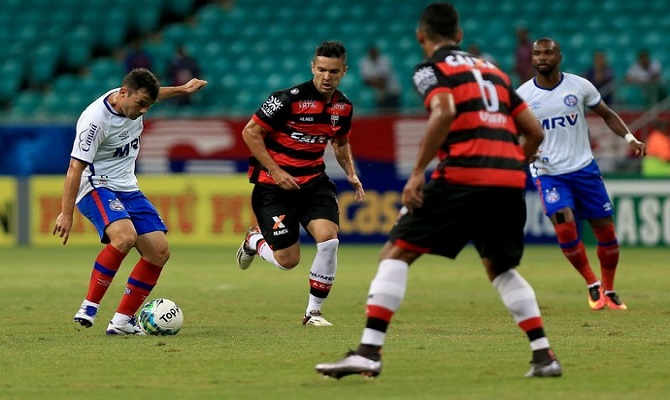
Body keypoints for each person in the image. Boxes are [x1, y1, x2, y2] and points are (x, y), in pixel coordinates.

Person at [316, 3, 561, 379]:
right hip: (508, 181)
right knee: (500, 268)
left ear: (421, 36)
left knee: (395, 253)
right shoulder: (494, 72)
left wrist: (417, 174)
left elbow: (444, 111)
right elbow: (536, 133)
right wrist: (510, 166)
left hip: (463, 173)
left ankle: (368, 352)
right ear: (459, 35)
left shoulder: (432, 69)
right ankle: (544, 356)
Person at [53, 68, 207, 335]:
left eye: (148, 104)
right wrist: (66, 213)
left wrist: (182, 89)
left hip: (127, 187)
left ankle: (122, 321)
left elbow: (155, 96)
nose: (144, 110)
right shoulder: (95, 121)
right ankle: (89, 306)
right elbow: (74, 168)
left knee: (159, 251)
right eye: (140, 104)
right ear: (123, 93)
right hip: (96, 184)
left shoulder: (135, 100)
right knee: (124, 237)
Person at [236, 41, 365, 327]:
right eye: (321, 69)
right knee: (287, 260)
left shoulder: (343, 107)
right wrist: (276, 170)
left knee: (329, 240)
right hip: (274, 186)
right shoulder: (287, 99)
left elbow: (341, 142)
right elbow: (250, 132)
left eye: (333, 71)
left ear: (344, 71)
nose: (326, 76)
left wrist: (351, 172)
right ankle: (254, 241)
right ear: (312, 68)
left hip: (313, 183)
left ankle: (313, 313)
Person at [516, 38, 646, 312]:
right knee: (564, 224)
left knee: (606, 233)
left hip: (584, 169)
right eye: (537, 53)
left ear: (559, 56)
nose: (542, 57)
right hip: (549, 173)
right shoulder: (522, 96)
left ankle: (609, 290)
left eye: (548, 52)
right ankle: (591, 283)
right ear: (533, 59)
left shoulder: (579, 86)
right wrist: (523, 150)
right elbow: (510, 132)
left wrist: (630, 137)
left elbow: (607, 114)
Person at [359, 45, 402, 113]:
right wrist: (375, 81)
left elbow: (383, 79)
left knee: (393, 114)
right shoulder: (365, 62)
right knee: (382, 115)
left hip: (392, 91)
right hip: (378, 93)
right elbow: (366, 81)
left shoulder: (384, 60)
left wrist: (373, 80)